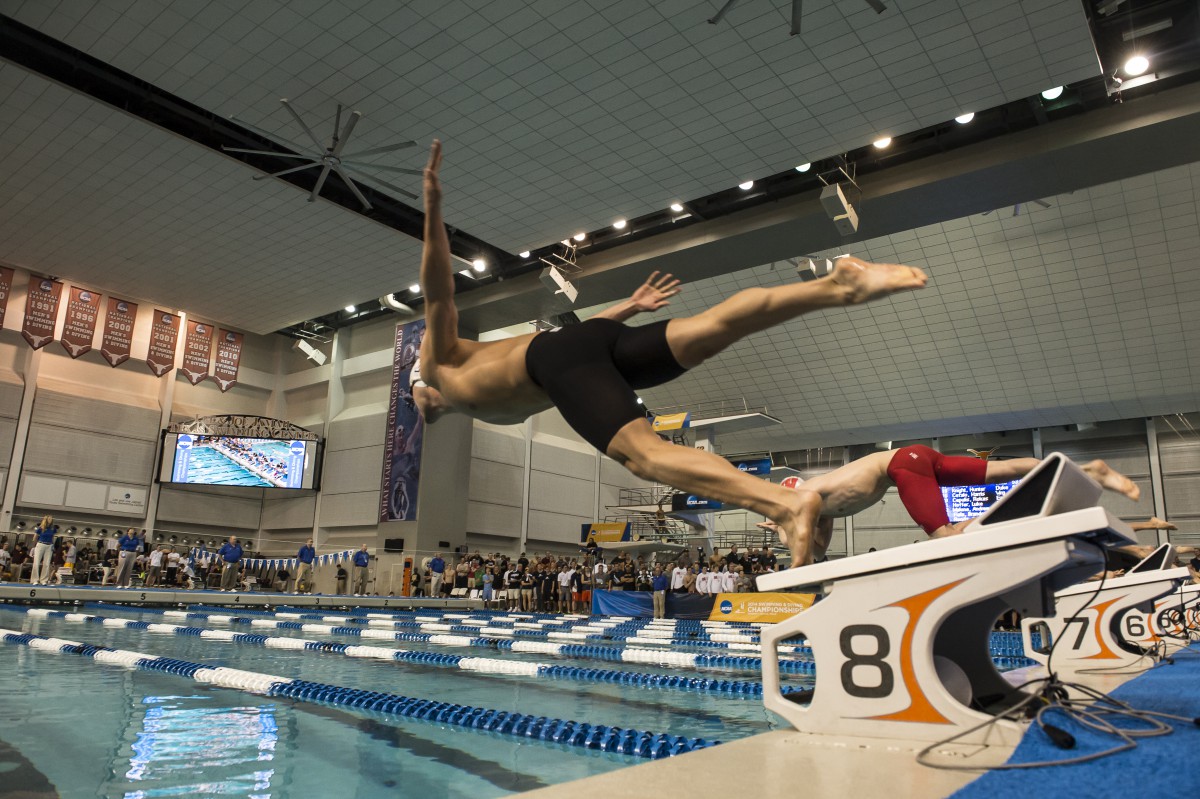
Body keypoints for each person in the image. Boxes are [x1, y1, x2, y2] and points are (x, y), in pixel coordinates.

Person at [410, 141, 928, 565]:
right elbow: (436, 405)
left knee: (645, 456)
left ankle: (784, 504)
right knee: (712, 328)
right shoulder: (452, 397)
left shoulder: (442, 362)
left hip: (556, 361)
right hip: (589, 343)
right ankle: (835, 286)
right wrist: (629, 307)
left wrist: (432, 209)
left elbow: (439, 291)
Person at [757, 445, 1141, 567]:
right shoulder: (820, 508)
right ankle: (1088, 470)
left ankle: (1007, 516)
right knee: (1002, 470)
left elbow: (802, 551)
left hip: (901, 467)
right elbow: (818, 552)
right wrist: (783, 531)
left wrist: (785, 530)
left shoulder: (806, 497)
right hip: (916, 456)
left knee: (947, 537)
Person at [29, 516, 56, 586]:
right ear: (46, 519)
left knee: (46, 564)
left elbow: (52, 537)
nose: (51, 520)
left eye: (51, 519)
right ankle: (35, 580)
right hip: (40, 544)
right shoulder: (41, 528)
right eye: (49, 519)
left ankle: (44, 580)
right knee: (36, 562)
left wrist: (52, 545)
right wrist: (35, 546)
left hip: (49, 546)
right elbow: (35, 537)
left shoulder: (53, 528)